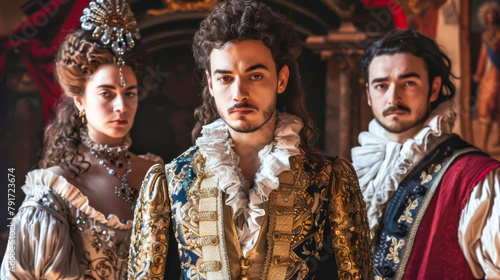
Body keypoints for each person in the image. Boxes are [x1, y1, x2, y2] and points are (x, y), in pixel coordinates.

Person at [127, 1, 373, 279]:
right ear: (210, 84)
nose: (239, 93)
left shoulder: (331, 180)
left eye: (255, 76)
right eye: (225, 78)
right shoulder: (169, 182)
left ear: (281, 80)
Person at [1, 0, 162, 278]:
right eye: (106, 93)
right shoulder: (56, 189)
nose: (121, 106)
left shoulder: (156, 175)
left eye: (130, 93)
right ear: (80, 101)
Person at [352, 29, 500, 279]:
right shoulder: (360, 168)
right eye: (381, 85)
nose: (393, 98)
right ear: (368, 94)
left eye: (408, 83)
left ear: (433, 89)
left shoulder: (475, 177)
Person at [473, 1, 500, 152]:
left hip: (498, 72)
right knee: (486, 106)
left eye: (493, 13)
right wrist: (478, 72)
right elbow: (483, 56)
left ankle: (497, 141)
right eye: (489, 14)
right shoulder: (485, 35)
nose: (491, 16)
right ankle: (483, 145)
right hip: (489, 74)